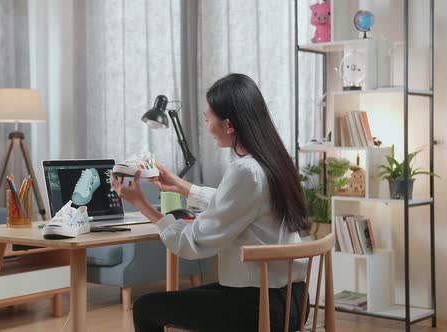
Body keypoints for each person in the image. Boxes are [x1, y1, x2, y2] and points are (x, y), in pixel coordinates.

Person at [110, 73, 310, 332]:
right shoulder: (275, 162)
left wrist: (142, 204)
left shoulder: (245, 171)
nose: (206, 126)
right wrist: (181, 186)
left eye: (207, 118)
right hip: (294, 302)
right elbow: (234, 204)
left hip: (260, 309)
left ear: (228, 125)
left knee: (146, 308)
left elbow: (193, 243)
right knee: (186, 299)